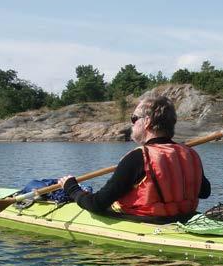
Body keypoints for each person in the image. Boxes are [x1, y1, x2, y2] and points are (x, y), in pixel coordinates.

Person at [58, 95, 210, 222]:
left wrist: (72, 188)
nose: (131, 124)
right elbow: (204, 192)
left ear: (147, 122)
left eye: (134, 118)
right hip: (184, 218)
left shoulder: (138, 157)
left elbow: (97, 204)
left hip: (150, 223)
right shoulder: (190, 153)